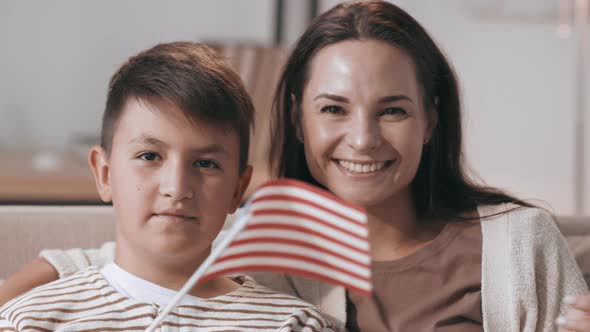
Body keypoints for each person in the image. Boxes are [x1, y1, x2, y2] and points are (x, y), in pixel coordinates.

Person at [0, 1, 586, 331]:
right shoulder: (267, 240)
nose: (362, 138)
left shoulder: (519, 244)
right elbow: (125, 255)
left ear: (431, 120)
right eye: (333, 108)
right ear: (298, 119)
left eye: (394, 111)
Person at [0, 42, 334, 331]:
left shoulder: (293, 324)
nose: (177, 188)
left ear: (237, 189)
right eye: (149, 156)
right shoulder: (31, 319)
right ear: (104, 174)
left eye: (206, 164)